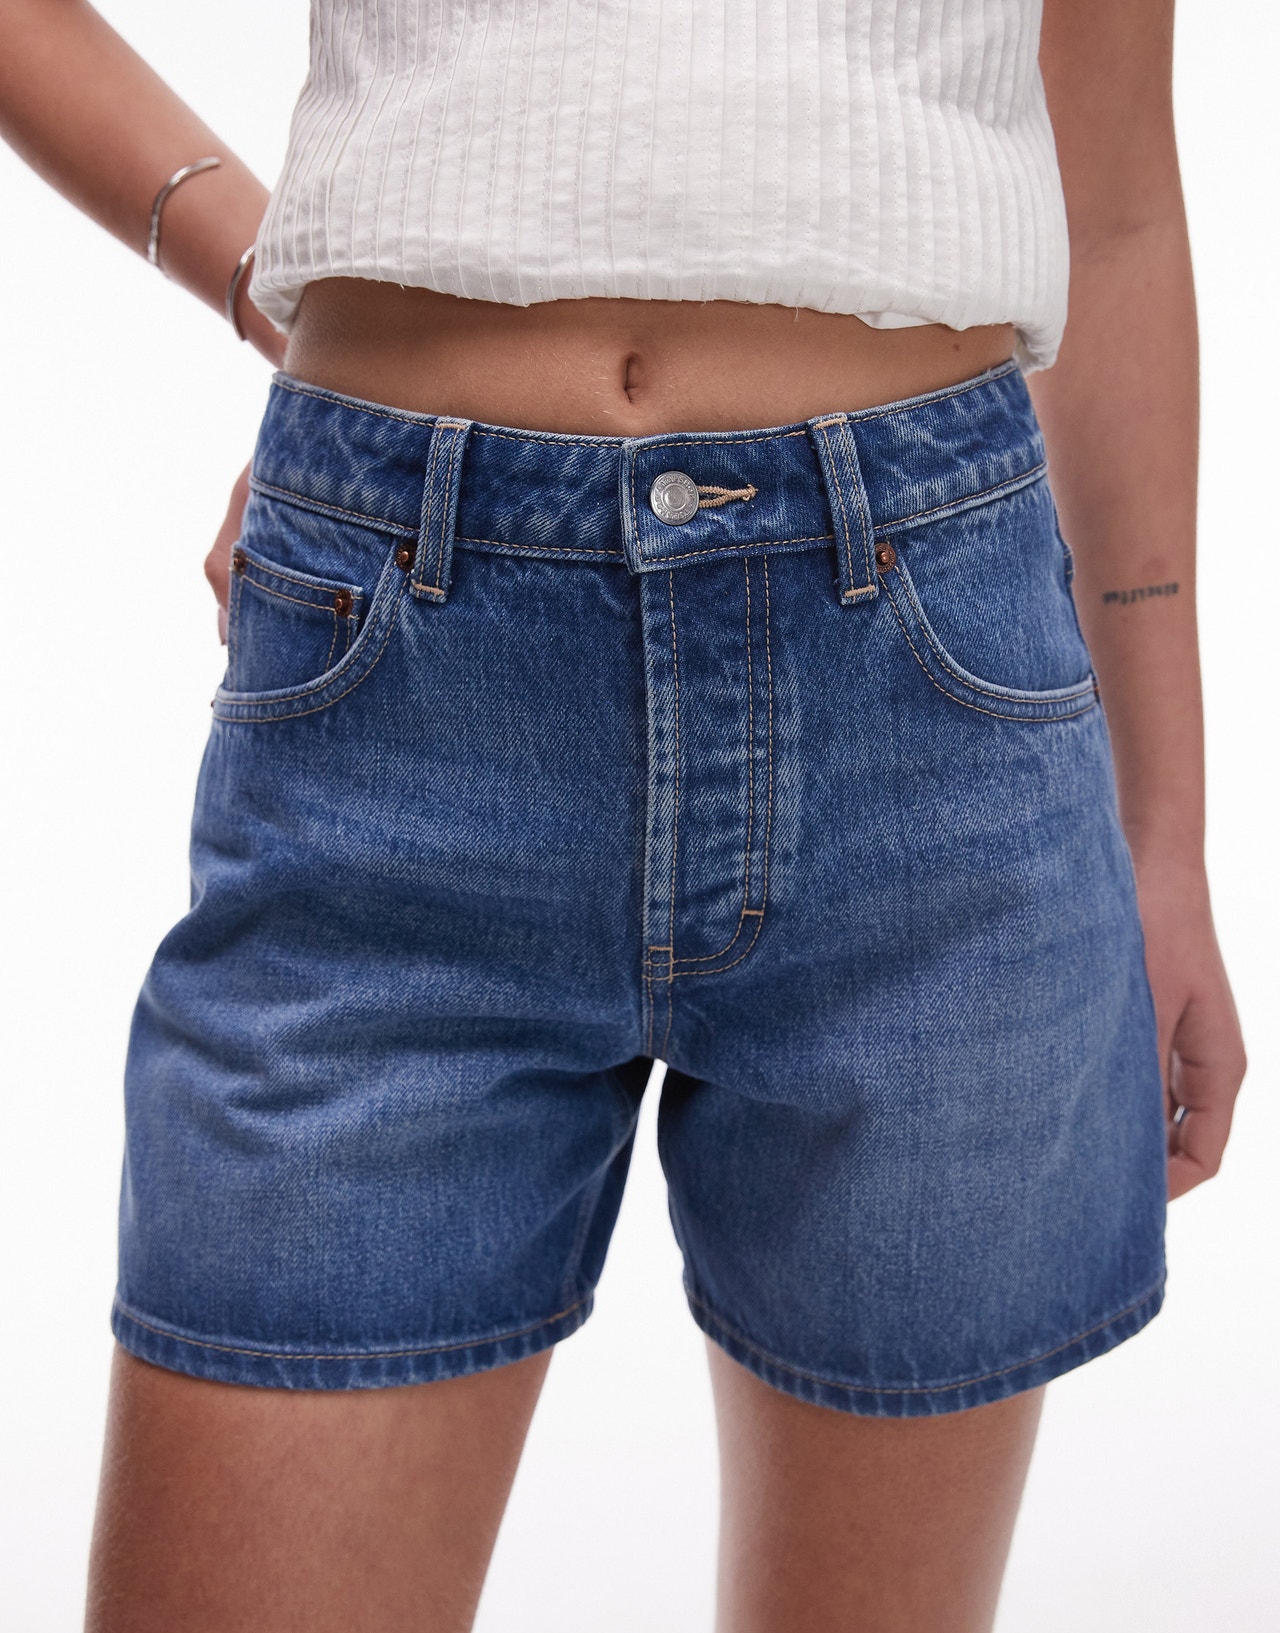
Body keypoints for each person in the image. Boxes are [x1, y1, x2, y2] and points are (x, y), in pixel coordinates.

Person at [0, 3, 1247, 1629]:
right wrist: (265, 276)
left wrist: (1166, 830)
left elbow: (1119, 198)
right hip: (403, 667)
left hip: (920, 697)